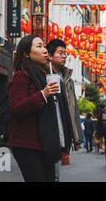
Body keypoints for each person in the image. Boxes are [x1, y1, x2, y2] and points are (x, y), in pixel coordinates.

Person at [7, 34, 74, 182]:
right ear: (26, 53)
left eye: (44, 46)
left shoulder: (46, 76)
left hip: (46, 143)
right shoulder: (21, 76)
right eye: (39, 46)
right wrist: (43, 94)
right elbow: (15, 107)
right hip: (27, 144)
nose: (44, 50)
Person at [46, 39, 83, 151]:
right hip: (50, 131)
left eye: (65, 53)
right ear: (50, 56)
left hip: (65, 131)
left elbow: (74, 109)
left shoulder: (68, 80)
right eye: (60, 53)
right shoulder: (44, 76)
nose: (64, 56)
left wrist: (77, 137)